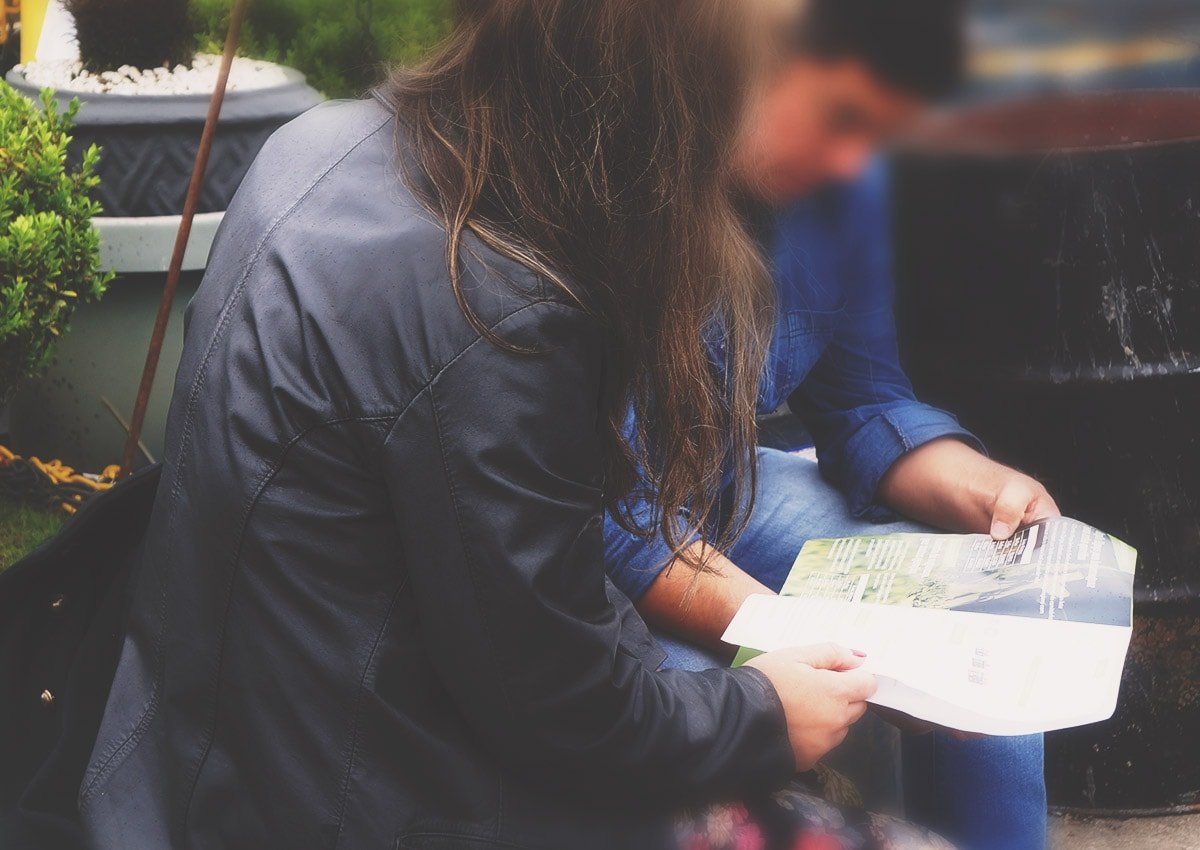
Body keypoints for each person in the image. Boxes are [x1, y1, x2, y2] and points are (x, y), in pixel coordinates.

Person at [77, 2, 953, 849]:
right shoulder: (500, 310)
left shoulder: (321, 142)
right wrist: (764, 715)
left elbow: (510, 596)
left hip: (204, 759)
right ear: (669, 92)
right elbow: (567, 707)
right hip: (356, 803)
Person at [603, 3, 1057, 850]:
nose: (854, 160)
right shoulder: (623, 181)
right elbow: (612, 524)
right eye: (842, 118)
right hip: (592, 557)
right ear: (755, 60)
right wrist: (811, 647)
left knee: (991, 641)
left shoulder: (845, 176)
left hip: (726, 490)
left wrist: (982, 484)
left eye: (877, 136)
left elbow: (863, 399)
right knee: (723, 713)